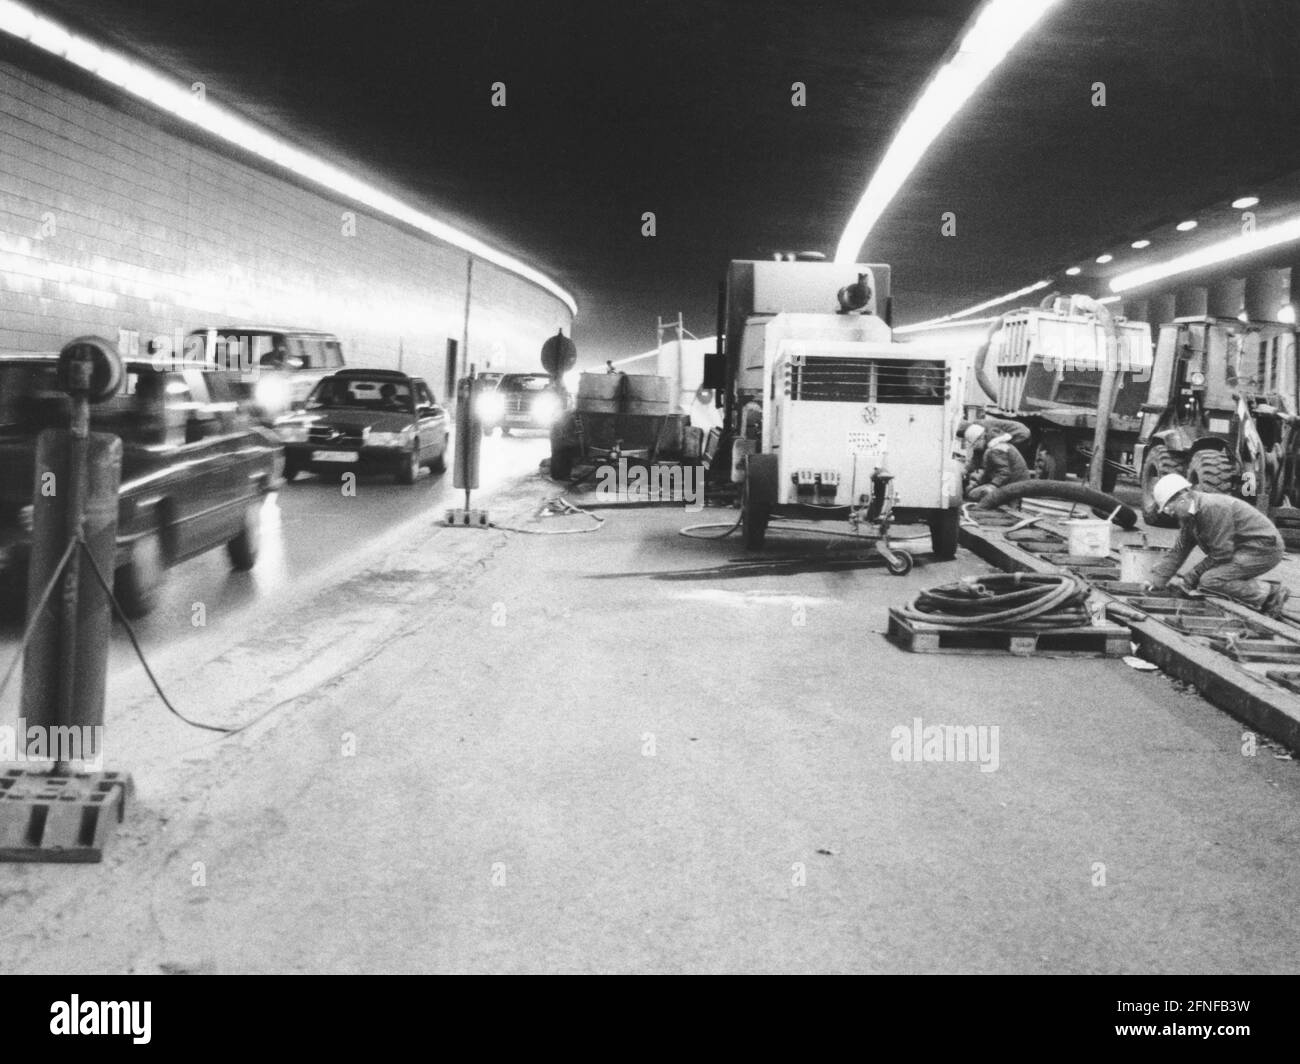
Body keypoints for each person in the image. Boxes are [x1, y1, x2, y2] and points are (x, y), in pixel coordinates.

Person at [1147, 473, 1290, 616]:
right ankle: (1258, 590)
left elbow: (1222, 553)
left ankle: (1272, 595)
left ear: (1182, 496)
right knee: (1210, 578)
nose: (1169, 513)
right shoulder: (1188, 518)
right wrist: (1156, 582)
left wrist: (1191, 576)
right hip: (1243, 548)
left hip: (1263, 548)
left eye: (1168, 508)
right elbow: (1178, 551)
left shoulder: (1212, 508)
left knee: (1210, 581)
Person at [964, 433, 1030, 502]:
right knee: (972, 492)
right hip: (1016, 482)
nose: (975, 447)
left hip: (1015, 485)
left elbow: (1005, 472)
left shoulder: (995, 450)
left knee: (973, 494)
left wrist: (993, 485)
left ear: (981, 439)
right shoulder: (994, 446)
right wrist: (977, 484)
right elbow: (988, 472)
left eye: (974, 444)